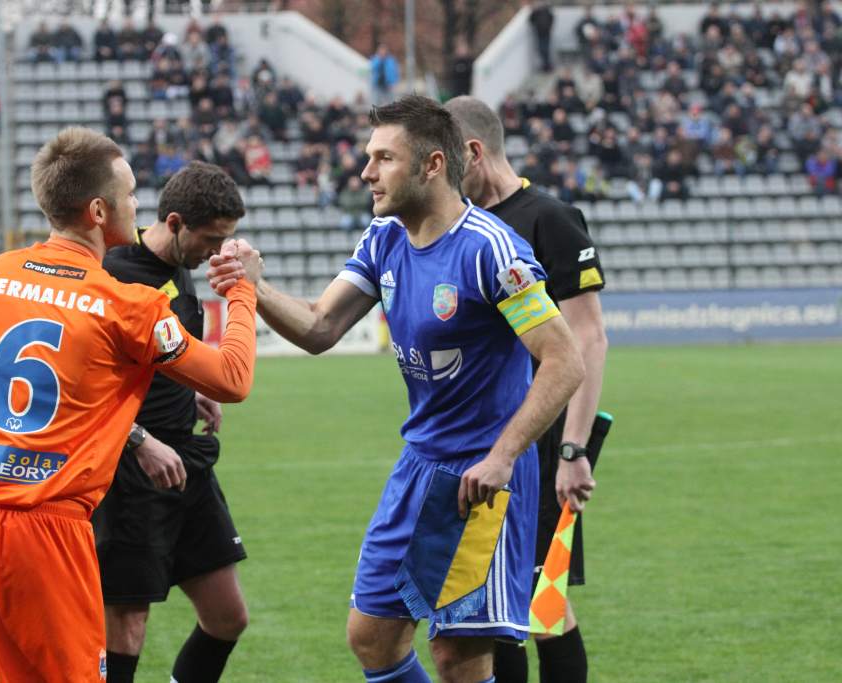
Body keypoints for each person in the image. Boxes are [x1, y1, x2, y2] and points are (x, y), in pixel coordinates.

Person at [0, 127, 262, 681]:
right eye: (130, 195)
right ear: (98, 211)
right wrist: (242, 291)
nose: (137, 205)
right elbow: (233, 379)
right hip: (43, 532)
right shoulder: (130, 307)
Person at [209, 95, 585, 683]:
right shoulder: (384, 237)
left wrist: (503, 456)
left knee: (457, 657)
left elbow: (564, 360)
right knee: (372, 637)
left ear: (433, 165)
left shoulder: (490, 249)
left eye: (384, 158)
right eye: (369, 157)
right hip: (419, 465)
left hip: (479, 479)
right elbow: (320, 327)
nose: (366, 172)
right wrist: (253, 286)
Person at [445, 95, 608, 683]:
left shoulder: (549, 219)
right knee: (489, 607)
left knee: (543, 601)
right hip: (477, 441)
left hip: (539, 441)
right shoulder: (463, 225)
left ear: (474, 152)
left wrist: (572, 449)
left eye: (446, 160)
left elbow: (588, 339)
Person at [93, 162, 250, 683]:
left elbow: (161, 351)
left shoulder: (179, 263)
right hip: (130, 471)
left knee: (227, 617)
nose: (217, 252)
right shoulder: (114, 273)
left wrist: (192, 388)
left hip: (186, 462)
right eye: (211, 239)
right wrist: (139, 439)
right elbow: (84, 386)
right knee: (126, 626)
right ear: (177, 223)